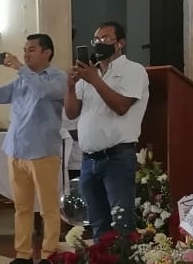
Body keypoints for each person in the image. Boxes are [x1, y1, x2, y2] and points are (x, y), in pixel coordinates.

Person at [0, 34, 68, 264]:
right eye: (24, 50)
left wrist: (19, 67)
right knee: (22, 207)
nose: (26, 54)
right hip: (16, 150)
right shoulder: (20, 81)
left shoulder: (58, 78)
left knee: (48, 207)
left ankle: (49, 254)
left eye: (31, 50)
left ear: (46, 52)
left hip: (42, 151)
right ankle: (23, 255)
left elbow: (41, 91)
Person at [64, 20, 149, 236]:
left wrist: (94, 80)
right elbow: (72, 112)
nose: (98, 43)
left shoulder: (133, 70)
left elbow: (121, 106)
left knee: (120, 221)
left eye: (105, 39)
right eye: (96, 39)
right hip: (89, 159)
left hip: (117, 158)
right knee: (97, 223)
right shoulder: (90, 74)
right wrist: (71, 86)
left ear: (120, 43)